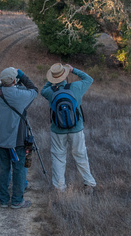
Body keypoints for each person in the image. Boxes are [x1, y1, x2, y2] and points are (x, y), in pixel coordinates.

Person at [40, 63, 96, 193]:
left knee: (58, 157)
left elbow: (42, 91)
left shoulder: (49, 92)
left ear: (53, 78)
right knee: (81, 155)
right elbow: (89, 79)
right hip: (76, 128)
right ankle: (89, 183)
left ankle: (59, 188)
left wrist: (51, 80)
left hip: (57, 130)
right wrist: (73, 70)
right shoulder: (76, 87)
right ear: (65, 75)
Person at [0, 67, 38, 209]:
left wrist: (7, 79)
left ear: (1, 81)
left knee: (3, 169)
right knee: (18, 169)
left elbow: (2, 87)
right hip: (17, 139)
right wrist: (22, 75)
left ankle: (4, 200)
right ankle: (17, 200)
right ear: (14, 80)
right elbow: (34, 89)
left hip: (0, 138)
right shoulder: (21, 95)